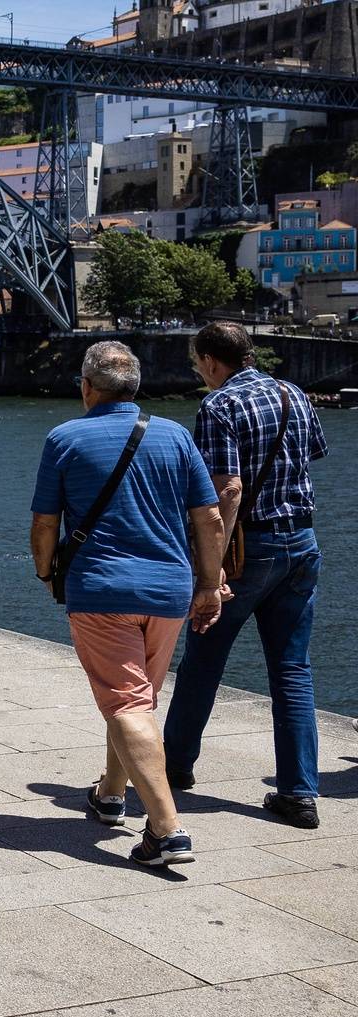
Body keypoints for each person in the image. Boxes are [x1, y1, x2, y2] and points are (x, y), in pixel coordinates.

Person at [29, 341, 224, 867]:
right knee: (136, 700)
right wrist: (209, 584)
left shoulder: (65, 438)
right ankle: (110, 794)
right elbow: (208, 518)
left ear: (87, 388)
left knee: (127, 704)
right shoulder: (176, 436)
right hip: (169, 593)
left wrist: (48, 574)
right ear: (135, 388)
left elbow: (46, 523)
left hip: (101, 590)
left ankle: (166, 829)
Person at [164, 322, 329, 829]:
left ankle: (173, 768)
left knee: (203, 655)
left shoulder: (219, 406)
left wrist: (211, 571)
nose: (198, 372)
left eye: (197, 363)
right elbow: (313, 455)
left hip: (247, 547)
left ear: (213, 360)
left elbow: (227, 490)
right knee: (292, 670)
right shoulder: (292, 394)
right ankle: (299, 793)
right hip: (301, 542)